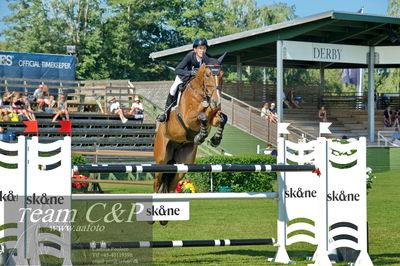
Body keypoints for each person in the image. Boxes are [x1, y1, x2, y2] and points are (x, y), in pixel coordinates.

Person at [157, 37, 209, 122]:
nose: (202, 50)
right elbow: (178, 70)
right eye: (200, 48)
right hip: (183, 77)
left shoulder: (206, 58)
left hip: (196, 81)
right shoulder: (190, 56)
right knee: (173, 89)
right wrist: (190, 73)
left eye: (204, 48)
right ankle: (165, 113)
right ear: (195, 49)